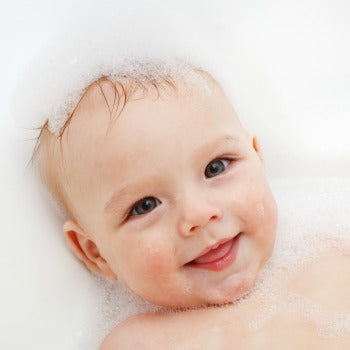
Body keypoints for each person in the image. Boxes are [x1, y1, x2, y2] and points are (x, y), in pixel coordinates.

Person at [32, 64, 350, 349]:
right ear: (96, 253)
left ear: (259, 159)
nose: (198, 214)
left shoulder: (332, 250)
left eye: (216, 167)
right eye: (145, 205)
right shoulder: (139, 343)